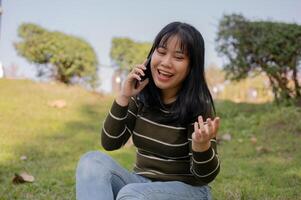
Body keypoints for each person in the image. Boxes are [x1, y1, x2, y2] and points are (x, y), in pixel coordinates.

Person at [76, 21, 221, 200]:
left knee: (131, 194)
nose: (166, 62)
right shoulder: (140, 97)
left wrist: (202, 146)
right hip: (141, 184)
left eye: (178, 57)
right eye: (161, 52)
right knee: (91, 162)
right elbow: (110, 143)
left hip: (188, 191)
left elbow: (205, 176)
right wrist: (123, 97)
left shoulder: (198, 107)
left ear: (192, 66)